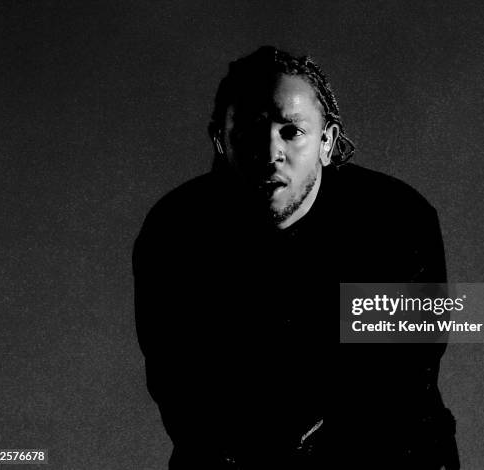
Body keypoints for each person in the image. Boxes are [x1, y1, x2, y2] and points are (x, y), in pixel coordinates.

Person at [133, 46, 459, 469]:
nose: (270, 154)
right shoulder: (176, 232)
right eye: (250, 131)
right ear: (220, 141)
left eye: (292, 131)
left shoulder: (396, 222)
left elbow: (400, 379)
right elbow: (182, 390)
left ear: (327, 142)